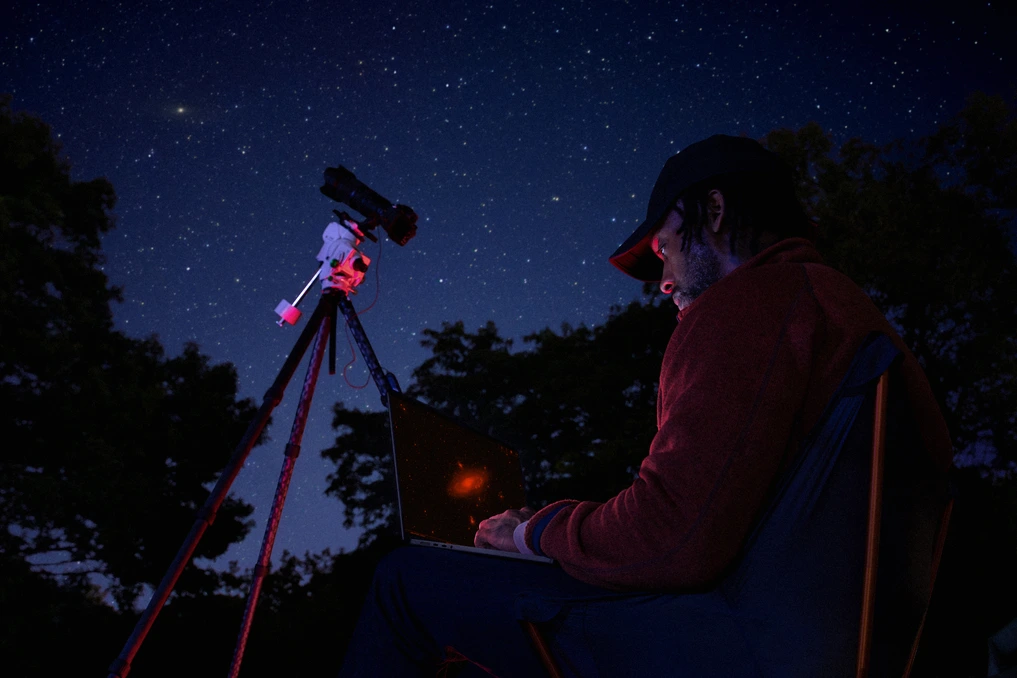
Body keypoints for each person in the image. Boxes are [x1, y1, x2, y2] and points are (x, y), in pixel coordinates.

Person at [339, 134, 953, 676]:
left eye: (665, 249)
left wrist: (531, 531)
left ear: (713, 212)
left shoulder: (750, 304)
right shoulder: (845, 309)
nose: (661, 282)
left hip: (734, 643)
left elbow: (671, 537)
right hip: (810, 642)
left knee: (406, 581)